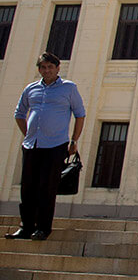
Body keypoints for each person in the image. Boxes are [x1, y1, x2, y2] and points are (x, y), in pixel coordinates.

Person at [7, 52, 86, 241]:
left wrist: (74, 140)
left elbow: (80, 114)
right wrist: (28, 134)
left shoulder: (68, 88)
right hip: (32, 145)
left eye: (50, 67)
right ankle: (26, 227)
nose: (47, 70)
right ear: (39, 70)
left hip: (56, 145)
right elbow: (19, 114)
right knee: (27, 188)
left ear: (58, 68)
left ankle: (43, 228)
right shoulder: (31, 89)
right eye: (43, 67)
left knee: (47, 188)